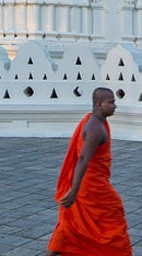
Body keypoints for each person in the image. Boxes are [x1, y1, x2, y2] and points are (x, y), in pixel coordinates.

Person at [46, 87, 132, 256]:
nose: (115, 106)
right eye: (111, 102)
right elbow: (83, 159)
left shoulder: (94, 121)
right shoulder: (95, 128)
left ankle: (54, 251)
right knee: (113, 214)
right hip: (91, 185)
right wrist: (74, 191)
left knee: (72, 222)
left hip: (90, 182)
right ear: (99, 104)